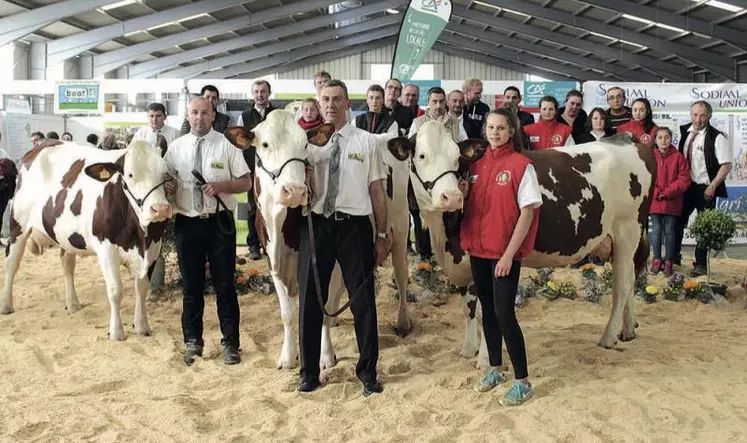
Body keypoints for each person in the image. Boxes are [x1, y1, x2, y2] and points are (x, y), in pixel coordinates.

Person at [298, 79, 388, 396]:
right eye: (326, 99)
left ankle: (367, 372)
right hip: (316, 224)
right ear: (319, 104)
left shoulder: (368, 142)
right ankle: (308, 373)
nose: (331, 104)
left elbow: (378, 191)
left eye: (338, 99)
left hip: (355, 227)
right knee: (311, 301)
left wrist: (381, 234)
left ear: (348, 104)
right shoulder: (307, 145)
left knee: (363, 303)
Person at [459, 108, 541, 407]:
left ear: (511, 131)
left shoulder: (522, 166)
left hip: (503, 254)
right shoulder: (477, 165)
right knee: (488, 312)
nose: (495, 133)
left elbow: (528, 212)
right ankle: (496, 368)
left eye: (501, 128)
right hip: (479, 251)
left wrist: (509, 255)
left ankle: (523, 381)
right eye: (490, 128)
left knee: (505, 314)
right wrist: (466, 192)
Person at [164, 97, 252, 366]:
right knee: (191, 288)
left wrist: (222, 185)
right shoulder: (176, 148)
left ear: (213, 115)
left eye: (204, 112)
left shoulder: (227, 145)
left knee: (225, 285)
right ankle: (193, 341)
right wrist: (168, 187)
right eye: (194, 113)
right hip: (187, 224)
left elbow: (246, 182)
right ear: (187, 116)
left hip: (218, 223)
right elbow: (166, 178)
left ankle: (230, 344)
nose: (199, 117)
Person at [673, 101, 732, 275]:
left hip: (706, 188)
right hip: (686, 187)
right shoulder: (684, 131)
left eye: (702, 115)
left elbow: (726, 165)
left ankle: (700, 265)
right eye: (695, 115)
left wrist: (713, 185)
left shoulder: (717, 137)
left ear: (709, 116)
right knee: (677, 222)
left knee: (703, 227)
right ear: (690, 115)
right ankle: (674, 257)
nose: (697, 119)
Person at [238, 79, 276, 261]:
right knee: (252, 208)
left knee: (272, 207)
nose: (260, 95)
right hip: (252, 169)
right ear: (252, 94)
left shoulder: (277, 114)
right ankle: (253, 245)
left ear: (269, 93)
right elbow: (241, 143)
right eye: (256, 92)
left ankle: (269, 244)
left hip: (274, 170)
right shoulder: (244, 116)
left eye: (263, 91)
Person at [649, 127, 691, 276]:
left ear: (671, 139)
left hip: (672, 202)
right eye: (660, 137)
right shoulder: (650, 156)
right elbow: (647, 176)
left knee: (669, 231)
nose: (663, 140)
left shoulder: (678, 157)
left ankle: (668, 261)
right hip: (654, 201)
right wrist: (656, 192)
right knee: (656, 230)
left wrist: (666, 192)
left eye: (666, 137)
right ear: (655, 140)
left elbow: (684, 179)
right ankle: (656, 259)